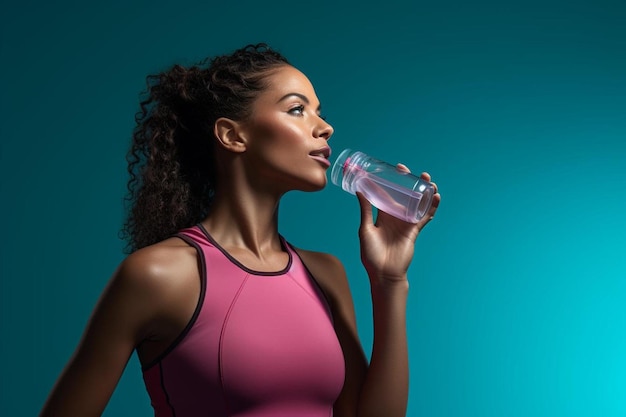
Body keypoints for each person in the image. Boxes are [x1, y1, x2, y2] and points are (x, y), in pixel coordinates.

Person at [40, 43, 441, 417]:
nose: (325, 128)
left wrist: (389, 281)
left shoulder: (325, 275)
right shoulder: (159, 275)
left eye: (319, 110)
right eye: (297, 109)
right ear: (233, 135)